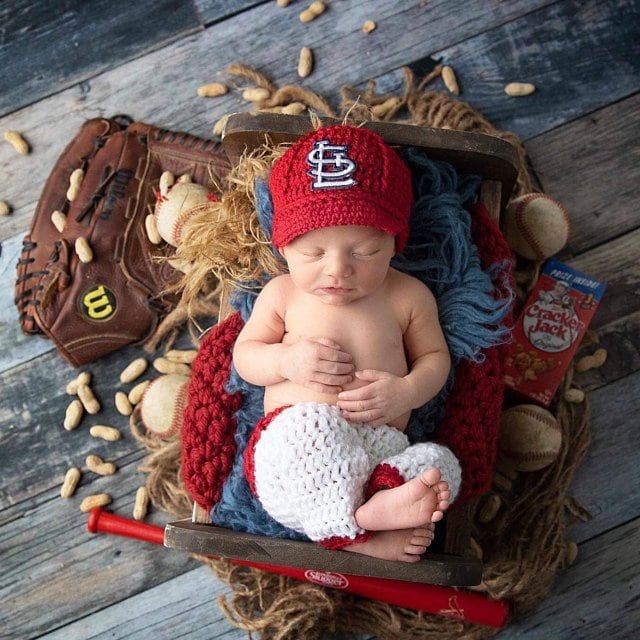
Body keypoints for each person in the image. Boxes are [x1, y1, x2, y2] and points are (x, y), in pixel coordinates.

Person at [233, 124, 462, 563]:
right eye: (313, 254)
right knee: (308, 433)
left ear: (394, 242)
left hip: (381, 448)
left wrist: (407, 391)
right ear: (283, 247)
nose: (337, 270)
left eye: (363, 252)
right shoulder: (282, 294)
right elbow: (246, 358)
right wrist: (286, 360)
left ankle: (379, 508)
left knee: (438, 466)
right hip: (297, 454)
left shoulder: (408, 296)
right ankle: (361, 534)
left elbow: (435, 359)